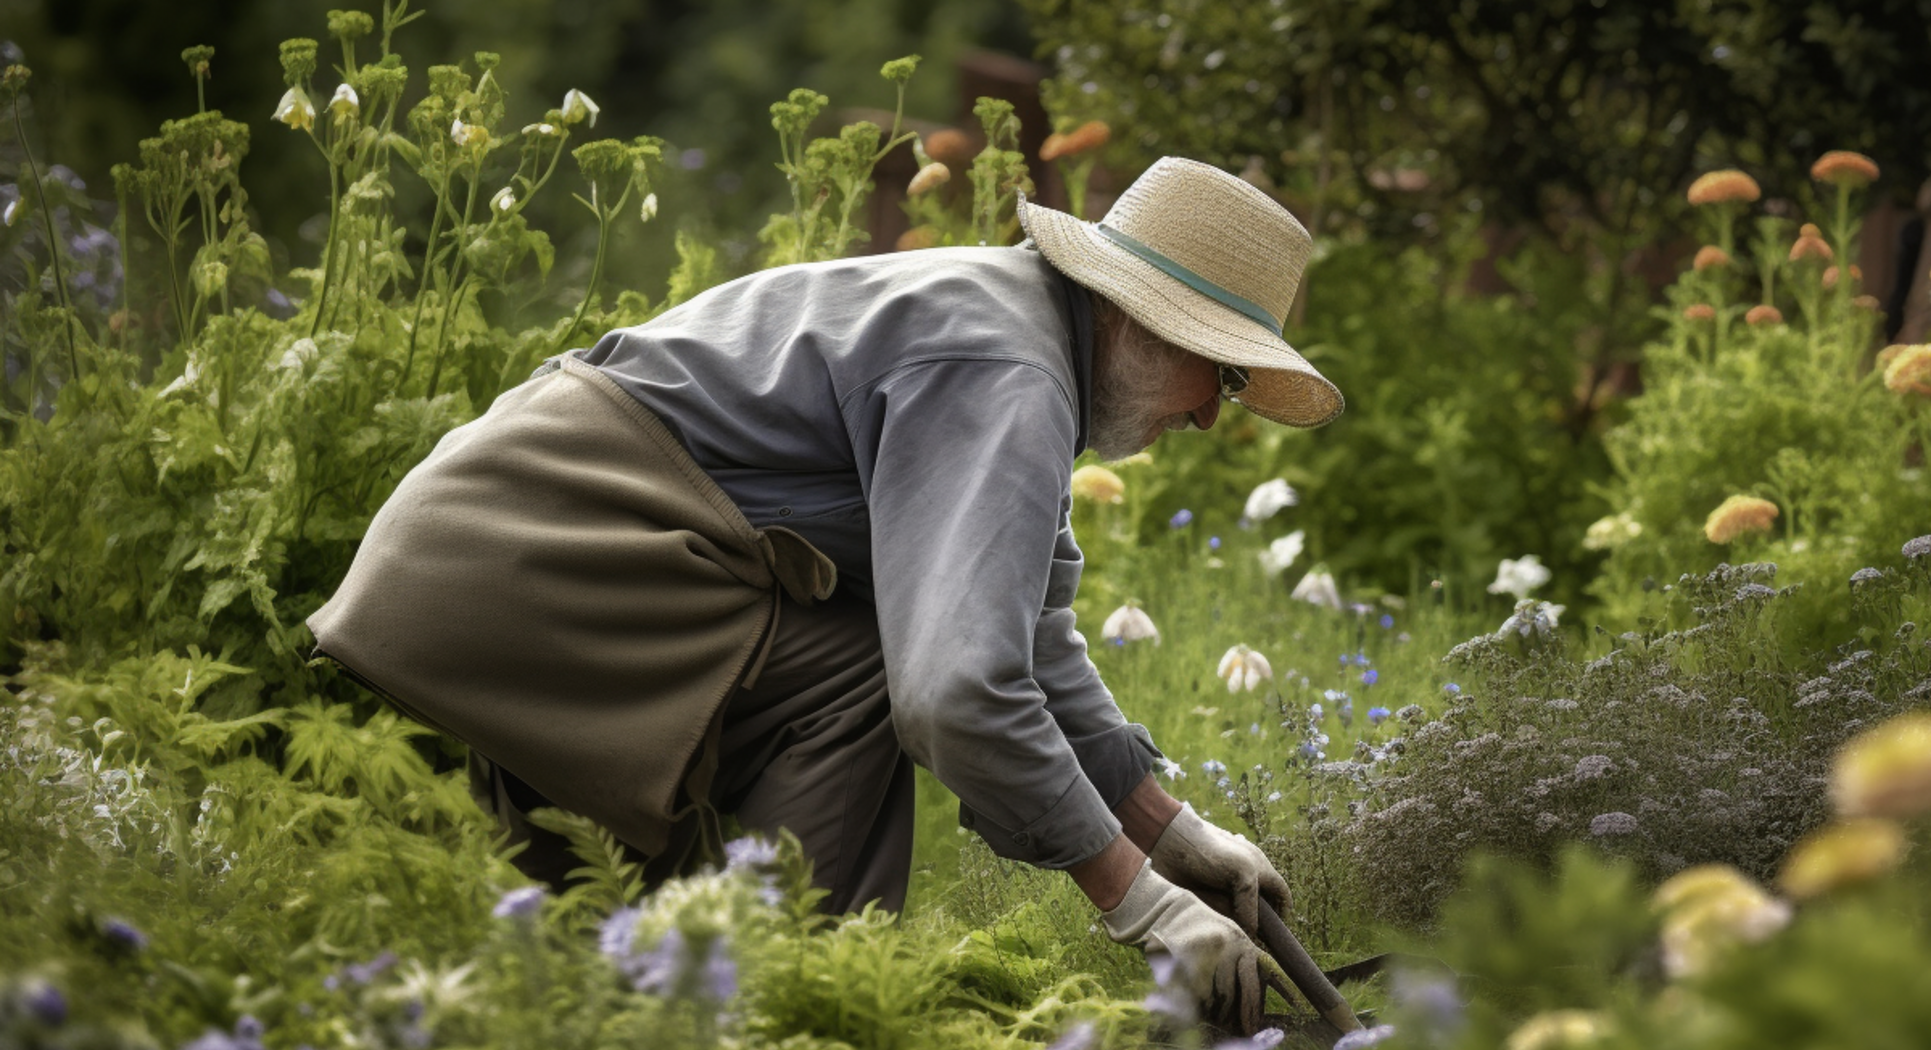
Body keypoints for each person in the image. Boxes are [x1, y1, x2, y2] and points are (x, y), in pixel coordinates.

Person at [306, 155, 1343, 1032]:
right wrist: (1138, 899)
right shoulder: (1008, 371)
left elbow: (1027, 637)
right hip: (546, 549)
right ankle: (794, 1004)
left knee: (594, 977)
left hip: (511, 557)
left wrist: (1172, 829)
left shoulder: (1019, 338)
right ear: (1150, 323)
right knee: (872, 656)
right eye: (1226, 375)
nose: (1212, 416)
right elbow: (956, 691)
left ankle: (645, 1000)